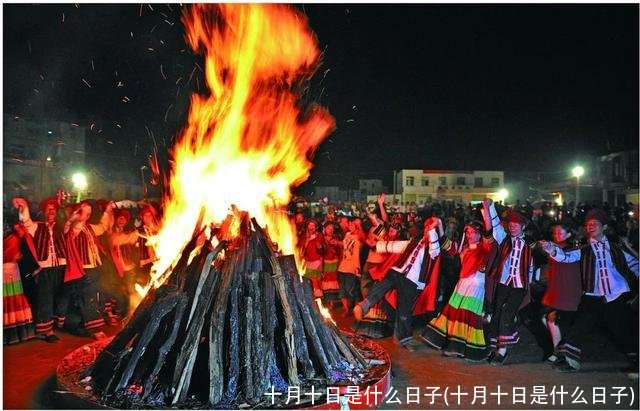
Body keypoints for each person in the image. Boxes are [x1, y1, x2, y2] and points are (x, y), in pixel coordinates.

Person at [540, 208, 638, 376]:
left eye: (595, 224)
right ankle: (570, 362)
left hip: (615, 296)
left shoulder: (617, 247)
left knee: (623, 331)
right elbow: (565, 257)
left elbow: (635, 264)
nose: (591, 226)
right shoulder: (584, 250)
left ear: (604, 226)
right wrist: (551, 248)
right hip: (592, 297)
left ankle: (636, 363)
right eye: (588, 224)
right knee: (578, 329)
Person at [353, 217, 442, 350]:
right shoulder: (412, 242)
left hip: (412, 281)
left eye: (430, 230)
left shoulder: (434, 249)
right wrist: (375, 245)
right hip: (397, 272)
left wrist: (433, 229)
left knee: (404, 311)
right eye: (426, 229)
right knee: (384, 283)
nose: (427, 232)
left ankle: (403, 339)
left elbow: (435, 249)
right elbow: (391, 245)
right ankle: (364, 305)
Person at [420, 220, 491, 361]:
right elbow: (448, 246)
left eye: (474, 232)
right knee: (452, 312)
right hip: (462, 284)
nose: (470, 235)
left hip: (476, 287)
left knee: (466, 315)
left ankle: (457, 348)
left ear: (480, 234)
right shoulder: (464, 248)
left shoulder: (485, 249)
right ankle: (444, 341)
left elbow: (491, 238)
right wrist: (440, 225)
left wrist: (487, 212)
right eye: (468, 232)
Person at [482, 198, 536, 365]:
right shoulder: (504, 239)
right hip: (504, 283)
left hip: (519, 285)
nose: (512, 226)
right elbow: (496, 225)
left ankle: (502, 351)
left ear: (523, 227)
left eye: (516, 224)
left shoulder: (530, 245)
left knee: (506, 313)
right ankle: (495, 347)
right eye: (511, 224)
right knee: (497, 313)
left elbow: (533, 267)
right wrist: (490, 207)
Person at [13, 197, 67, 342]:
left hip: (60, 267)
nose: (51, 211)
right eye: (48, 209)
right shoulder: (37, 226)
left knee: (58, 297)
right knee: (45, 300)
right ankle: (47, 331)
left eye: (53, 209)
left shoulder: (60, 227)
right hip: (44, 269)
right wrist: (24, 206)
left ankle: (55, 324)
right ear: (43, 212)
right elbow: (26, 221)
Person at [56, 200, 114, 336]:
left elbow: (102, 226)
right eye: (84, 213)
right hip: (83, 269)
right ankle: (94, 329)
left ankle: (83, 325)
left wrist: (108, 210)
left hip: (93, 268)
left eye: (88, 214)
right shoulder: (73, 229)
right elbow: (73, 226)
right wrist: (78, 216)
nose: (87, 216)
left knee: (91, 297)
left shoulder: (89, 228)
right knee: (87, 298)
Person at [536, 222, 582, 363]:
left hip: (568, 290)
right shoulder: (554, 247)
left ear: (568, 234)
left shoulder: (572, 249)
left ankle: (560, 353)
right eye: (555, 233)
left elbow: (564, 259)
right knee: (547, 318)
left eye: (560, 233)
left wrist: (550, 248)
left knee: (553, 319)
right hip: (556, 290)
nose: (556, 235)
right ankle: (559, 350)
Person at [3, 225, 37, 344]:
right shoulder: (13, 237)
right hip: (7, 270)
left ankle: (14, 333)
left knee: (13, 298)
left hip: (12, 269)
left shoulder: (16, 236)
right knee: (9, 298)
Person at [337, 218, 364, 315]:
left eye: (353, 225)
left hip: (352, 266)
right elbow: (344, 248)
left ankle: (353, 308)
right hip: (343, 265)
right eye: (350, 224)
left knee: (350, 289)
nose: (351, 226)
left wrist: (357, 268)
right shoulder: (347, 234)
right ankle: (346, 308)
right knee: (342, 288)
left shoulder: (359, 236)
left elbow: (357, 252)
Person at [300, 219, 324, 298]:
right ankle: (314, 295)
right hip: (308, 261)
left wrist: (319, 247)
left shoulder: (319, 235)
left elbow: (322, 248)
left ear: (316, 227)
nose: (311, 227)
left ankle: (319, 295)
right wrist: (307, 240)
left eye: (313, 225)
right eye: (310, 225)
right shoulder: (304, 236)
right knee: (310, 279)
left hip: (317, 260)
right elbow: (302, 249)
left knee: (316, 279)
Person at [321, 222, 341, 307]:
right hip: (326, 262)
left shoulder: (336, 238)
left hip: (335, 262)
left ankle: (336, 301)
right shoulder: (321, 238)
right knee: (327, 281)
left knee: (335, 280)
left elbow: (341, 249)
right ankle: (330, 302)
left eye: (332, 229)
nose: (330, 230)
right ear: (325, 229)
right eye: (328, 228)